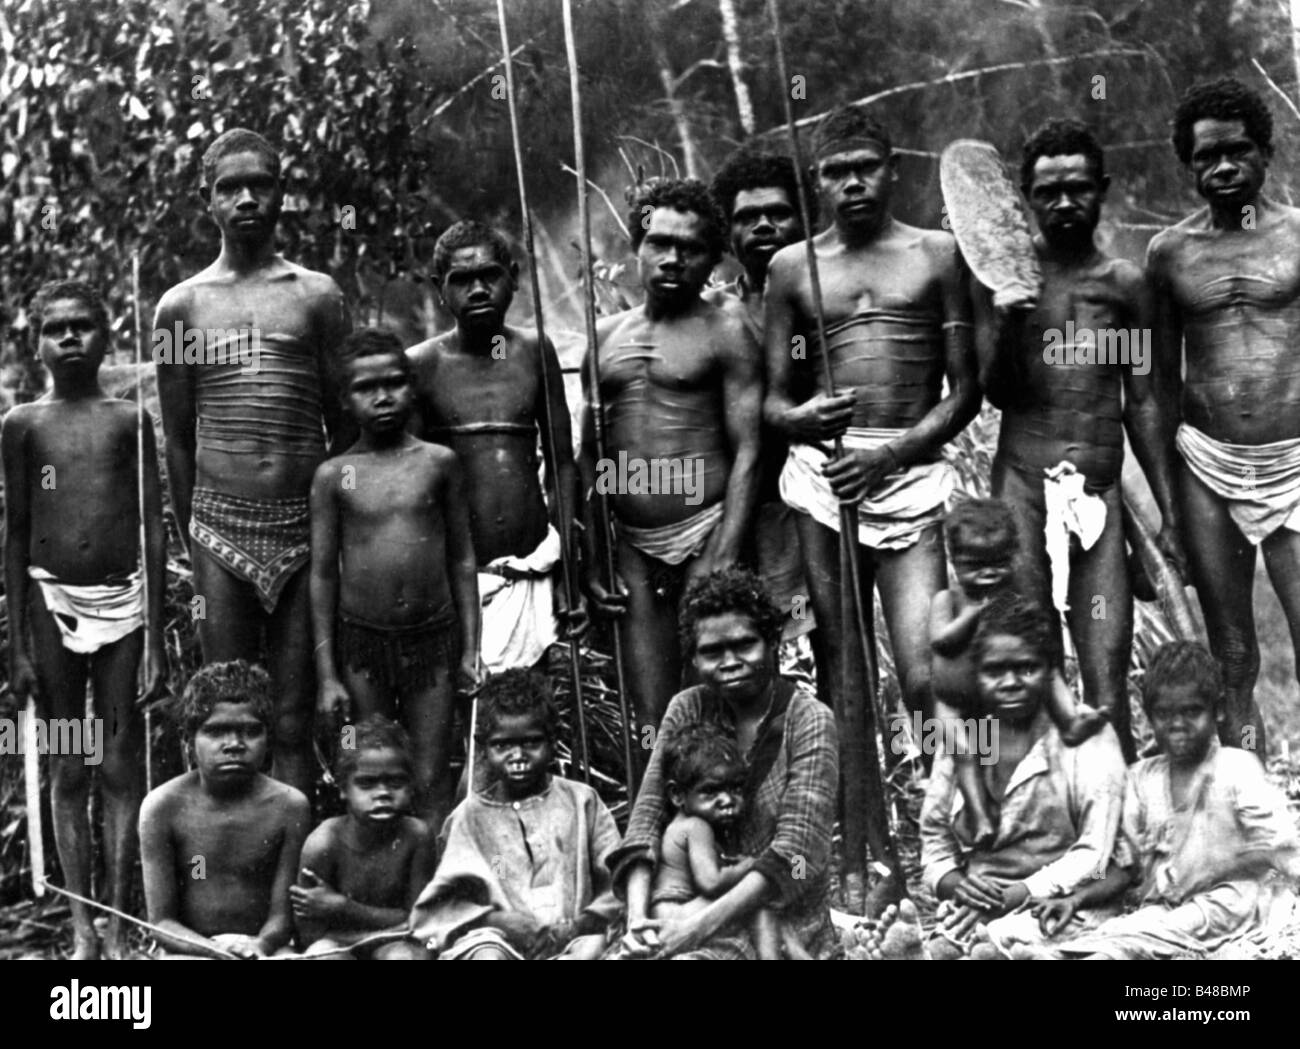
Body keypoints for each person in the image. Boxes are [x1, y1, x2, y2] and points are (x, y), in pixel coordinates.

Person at [763, 104, 980, 907]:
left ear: (892, 170)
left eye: (865, 167)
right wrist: (805, 421)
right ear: (816, 181)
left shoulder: (937, 255)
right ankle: (863, 849)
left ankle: (948, 831)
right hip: (825, 487)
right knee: (844, 671)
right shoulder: (792, 268)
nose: (850, 183)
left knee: (924, 672)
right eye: (833, 171)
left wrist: (888, 452)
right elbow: (773, 402)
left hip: (907, 477)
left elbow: (966, 392)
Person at [977, 119, 1183, 762]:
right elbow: (999, 393)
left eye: (1078, 188)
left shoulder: (1125, 285)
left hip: (1097, 494)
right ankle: (1049, 823)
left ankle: (1119, 832)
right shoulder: (1008, 281)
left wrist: (1169, 509)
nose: (1064, 203)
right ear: (1026, 199)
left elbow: (1143, 403)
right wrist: (1007, 321)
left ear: (1103, 189)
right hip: (1022, 489)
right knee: (1033, 664)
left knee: (1107, 669)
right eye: (1047, 192)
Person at [154, 128, 351, 796]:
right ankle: (228, 876)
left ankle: (292, 878)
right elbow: (178, 437)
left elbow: (344, 420)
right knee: (229, 710)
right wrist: (195, 537)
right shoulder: (182, 306)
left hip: (303, 527)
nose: (245, 199)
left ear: (280, 192)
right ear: (207, 200)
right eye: (228, 187)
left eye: (259, 184)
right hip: (218, 529)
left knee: (293, 716)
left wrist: (331, 524)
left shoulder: (316, 295)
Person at [2, 280, 166, 959]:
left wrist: (156, 632)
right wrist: (17, 648)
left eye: (83, 326)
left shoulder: (129, 420)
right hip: (51, 606)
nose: (70, 338)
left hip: (124, 604)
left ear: (107, 333)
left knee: (120, 758)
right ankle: (80, 922)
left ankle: (123, 920)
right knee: (71, 761)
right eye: (55, 328)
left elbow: (153, 528)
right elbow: (14, 534)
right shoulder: (22, 425)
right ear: (35, 341)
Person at [1148, 77, 1300, 756]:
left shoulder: (1298, 236)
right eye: (1206, 157)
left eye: (1237, 151)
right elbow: (1155, 385)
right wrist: (1168, 506)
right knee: (1232, 652)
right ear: (1188, 166)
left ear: (1266, 153)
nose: (1223, 167)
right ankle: (1252, 800)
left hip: (1294, 458)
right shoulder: (1169, 253)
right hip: (1207, 462)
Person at [580, 178, 763, 730]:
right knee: (651, 712)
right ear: (637, 248)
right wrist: (594, 557)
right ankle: (652, 815)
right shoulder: (605, 336)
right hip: (632, 546)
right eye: (659, 242)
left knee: (712, 702)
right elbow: (590, 458)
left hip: (704, 531)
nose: (672, 258)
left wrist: (725, 550)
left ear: (711, 258)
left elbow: (752, 449)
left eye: (690, 248)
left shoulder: (726, 327)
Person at [611, 567, 840, 960]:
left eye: (745, 645)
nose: (730, 662)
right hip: (681, 911)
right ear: (694, 658)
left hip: (777, 917)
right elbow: (647, 817)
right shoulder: (687, 707)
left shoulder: (810, 720)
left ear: (773, 642)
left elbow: (798, 853)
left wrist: (693, 929)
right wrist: (636, 921)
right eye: (712, 652)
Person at [310, 328, 479, 830]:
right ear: (345, 399)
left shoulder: (438, 463)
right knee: (366, 761)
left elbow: (463, 561)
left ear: (412, 386)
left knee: (429, 773)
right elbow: (322, 575)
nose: (382, 397)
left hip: (434, 641)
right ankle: (377, 886)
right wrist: (327, 676)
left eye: (394, 383)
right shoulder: (336, 474)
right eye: (366, 387)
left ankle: (432, 891)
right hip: (363, 647)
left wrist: (470, 650)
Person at [1043, 643, 1300, 960]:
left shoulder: (1237, 768)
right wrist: (1076, 900)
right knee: (1147, 922)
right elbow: (1126, 867)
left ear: (1217, 710)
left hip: (1230, 900)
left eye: (1192, 712)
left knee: (1186, 918)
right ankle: (1081, 950)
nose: (1177, 725)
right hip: (1166, 905)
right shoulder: (1140, 778)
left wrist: (1227, 866)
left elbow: (1282, 850)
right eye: (1164, 714)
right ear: (1150, 717)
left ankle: (1083, 954)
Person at [408, 221, 582, 674]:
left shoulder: (531, 351)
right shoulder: (422, 366)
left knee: (530, 713)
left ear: (515, 277)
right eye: (462, 280)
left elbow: (562, 464)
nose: (479, 289)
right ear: (439, 289)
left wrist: (567, 565)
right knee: (469, 717)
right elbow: (411, 482)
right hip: (459, 579)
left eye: (490, 275)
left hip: (532, 565)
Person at [915, 594, 1127, 958]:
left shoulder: (1084, 740)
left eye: (1026, 668)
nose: (1011, 682)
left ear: (1049, 670)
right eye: (994, 671)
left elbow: (1094, 853)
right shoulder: (965, 736)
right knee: (944, 948)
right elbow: (934, 842)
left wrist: (1021, 893)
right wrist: (958, 886)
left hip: (1065, 904)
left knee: (998, 948)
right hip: (977, 904)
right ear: (974, 673)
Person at [410, 668, 622, 960]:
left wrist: (577, 926)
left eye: (531, 742)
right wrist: (494, 921)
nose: (518, 756)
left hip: (573, 939)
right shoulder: (469, 819)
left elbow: (616, 880)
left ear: (553, 741)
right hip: (500, 942)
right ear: (483, 748)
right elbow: (443, 905)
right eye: (503, 745)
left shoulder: (582, 801)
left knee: (594, 948)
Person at [930, 498, 1106, 846]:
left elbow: (1032, 644)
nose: (988, 574)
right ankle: (979, 816)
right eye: (974, 566)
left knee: (1049, 668)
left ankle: (1069, 719)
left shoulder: (1011, 597)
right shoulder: (947, 600)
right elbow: (940, 641)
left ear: (1013, 557)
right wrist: (974, 614)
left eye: (998, 564)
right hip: (953, 704)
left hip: (996, 699)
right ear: (953, 563)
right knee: (965, 754)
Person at [707, 149, 817, 652]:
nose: (764, 226)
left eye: (778, 213)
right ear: (728, 233)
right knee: (741, 649)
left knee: (832, 637)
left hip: (812, 500)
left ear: (804, 217)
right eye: (747, 218)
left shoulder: (826, 298)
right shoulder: (712, 313)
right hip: (729, 504)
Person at [139, 661, 309, 959]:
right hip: (190, 949)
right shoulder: (162, 807)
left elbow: (282, 916)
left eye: (250, 731)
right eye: (217, 732)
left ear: (268, 736)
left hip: (265, 948)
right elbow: (163, 922)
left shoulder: (289, 806)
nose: (234, 744)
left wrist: (261, 945)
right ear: (188, 738)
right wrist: (212, 950)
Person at [650, 721, 808, 959]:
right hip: (676, 915)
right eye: (711, 792)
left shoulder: (691, 824)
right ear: (677, 795)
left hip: (671, 913)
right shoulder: (697, 826)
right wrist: (749, 865)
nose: (727, 801)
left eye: (735, 789)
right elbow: (711, 882)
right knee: (757, 898)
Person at [292, 715, 434, 959]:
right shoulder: (323, 844)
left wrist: (344, 907)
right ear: (342, 788)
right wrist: (391, 926)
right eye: (367, 783)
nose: (383, 794)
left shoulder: (417, 837)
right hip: (338, 948)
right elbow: (309, 937)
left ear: (411, 785)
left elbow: (420, 922)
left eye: (395, 782)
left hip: (389, 947)